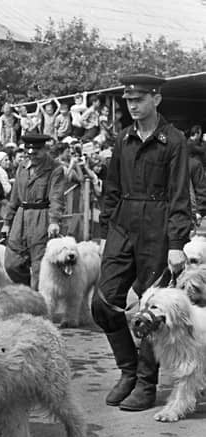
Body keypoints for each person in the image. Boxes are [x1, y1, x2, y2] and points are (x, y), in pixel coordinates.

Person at [91, 74, 190, 412]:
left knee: (152, 309)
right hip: (123, 224)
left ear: (156, 99)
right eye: (128, 100)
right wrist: (106, 234)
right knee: (103, 302)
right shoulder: (123, 139)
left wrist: (176, 242)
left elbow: (180, 196)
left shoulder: (173, 140)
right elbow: (112, 190)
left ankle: (147, 384)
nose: (133, 105)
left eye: (139, 99)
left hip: (159, 228)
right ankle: (128, 371)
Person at [1, 134, 66, 290]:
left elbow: (56, 197)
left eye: (36, 153)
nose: (31, 156)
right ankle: (27, 290)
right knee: (12, 263)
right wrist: (7, 222)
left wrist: (54, 221)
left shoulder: (55, 168)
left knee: (39, 266)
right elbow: (14, 197)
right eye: (28, 153)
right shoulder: (22, 167)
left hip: (41, 218)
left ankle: (37, 302)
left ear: (44, 150)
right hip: (21, 217)